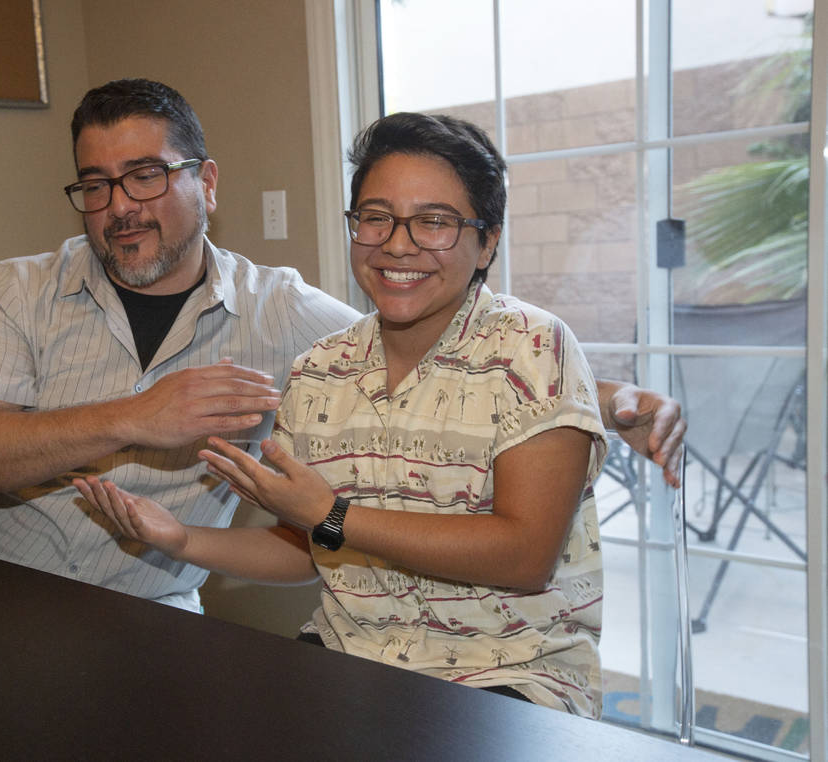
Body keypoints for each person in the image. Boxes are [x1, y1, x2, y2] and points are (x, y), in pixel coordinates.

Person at [0, 78, 684, 616]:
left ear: (207, 183)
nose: (120, 206)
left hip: (147, 608)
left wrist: (612, 398)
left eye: (146, 176)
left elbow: (446, 346)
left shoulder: (282, 313)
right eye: (96, 185)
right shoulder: (19, 288)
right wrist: (134, 416)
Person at [73, 111, 618, 718]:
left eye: (433, 222)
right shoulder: (318, 371)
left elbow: (523, 554)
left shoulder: (532, 346)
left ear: (487, 239)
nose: (398, 243)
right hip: (346, 656)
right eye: (376, 218)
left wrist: (333, 516)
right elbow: (307, 549)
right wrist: (178, 538)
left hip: (508, 676)